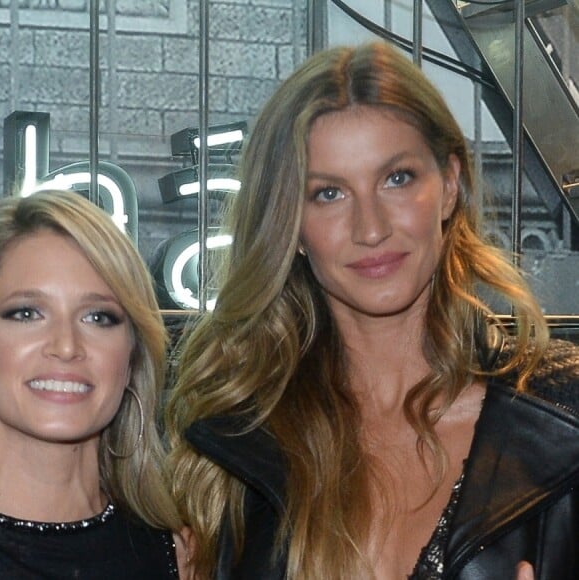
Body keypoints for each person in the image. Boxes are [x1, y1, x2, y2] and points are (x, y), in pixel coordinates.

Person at [166, 41, 579, 579]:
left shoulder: (563, 418)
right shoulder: (230, 449)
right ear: (291, 226)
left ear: (450, 185)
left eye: (397, 178)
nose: (372, 228)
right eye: (328, 194)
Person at [0, 189, 191, 579]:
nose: (67, 347)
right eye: (26, 313)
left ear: (133, 353)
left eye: (99, 318)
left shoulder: (184, 555)